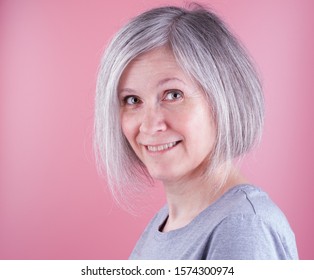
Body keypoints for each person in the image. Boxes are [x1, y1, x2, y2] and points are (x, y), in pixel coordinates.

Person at [94, 4, 298, 259]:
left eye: (173, 95)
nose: (149, 124)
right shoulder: (167, 222)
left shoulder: (243, 227)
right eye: (132, 100)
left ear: (224, 98)